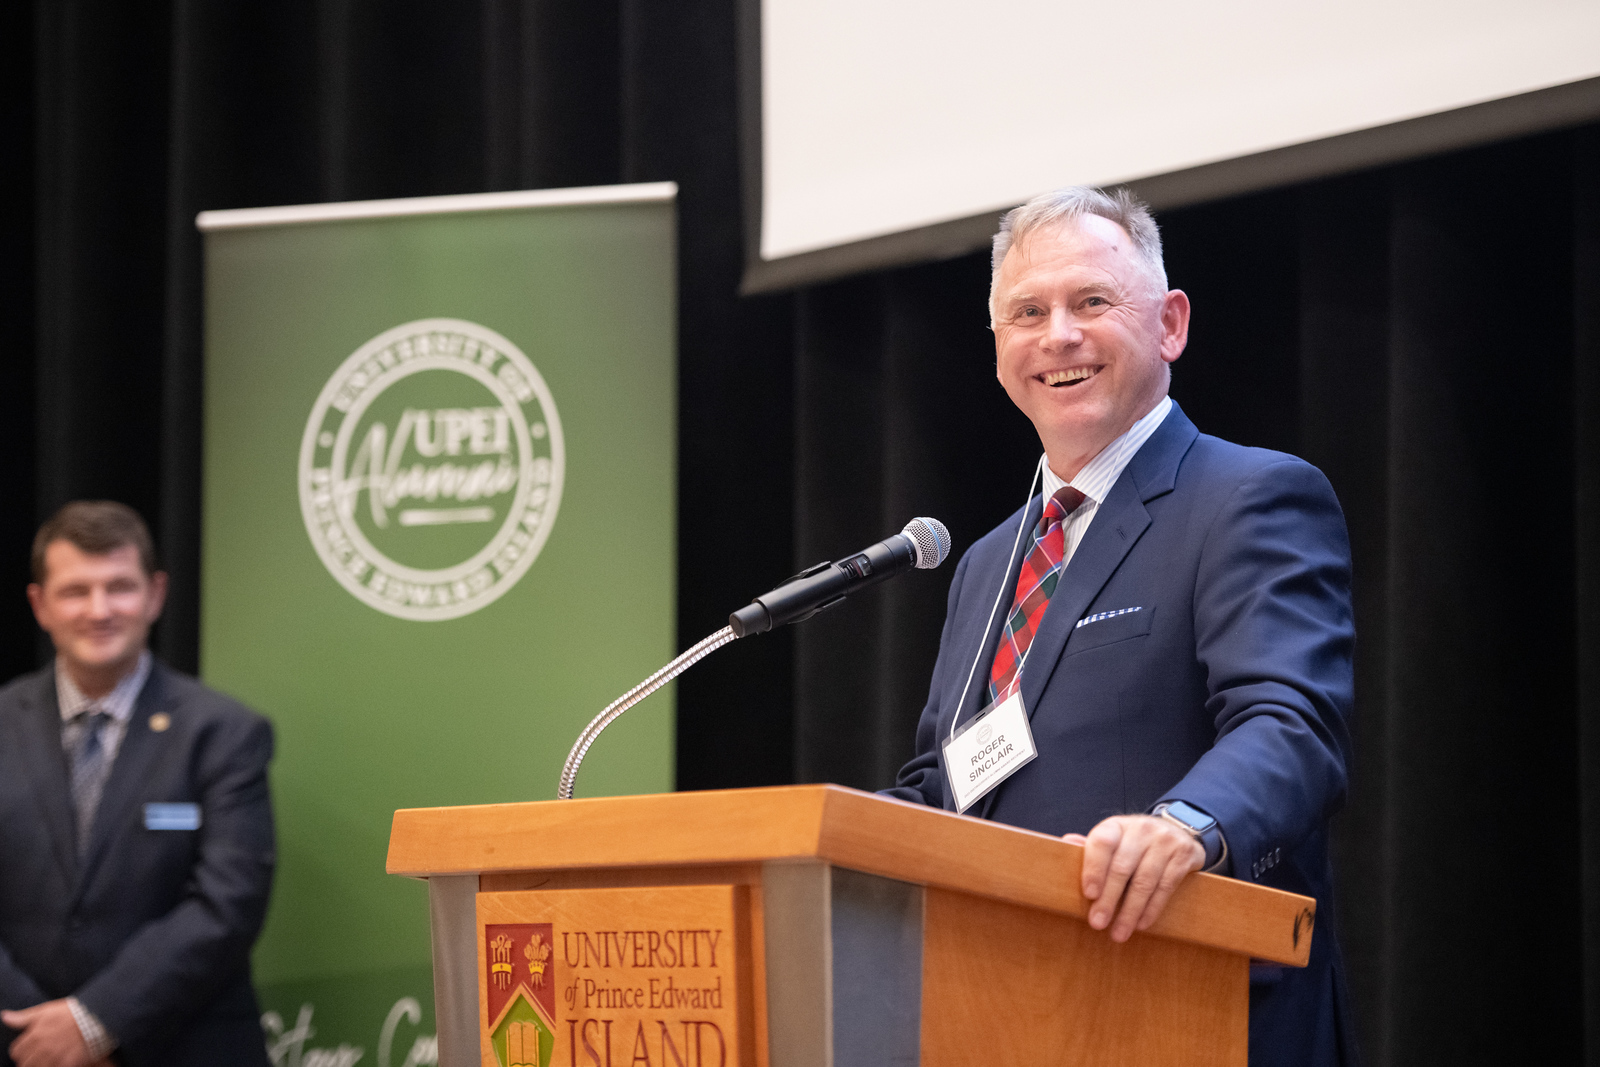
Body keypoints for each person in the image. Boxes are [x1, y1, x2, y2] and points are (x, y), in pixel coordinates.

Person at [884, 187, 1357, 1065]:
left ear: (1170, 324)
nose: (1057, 334)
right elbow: (946, 786)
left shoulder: (1248, 498)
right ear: (999, 351)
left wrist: (1183, 825)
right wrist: (830, 837)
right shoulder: (989, 563)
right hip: (999, 1009)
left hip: (1194, 1007)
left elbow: (1291, 724)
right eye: (1028, 312)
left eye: (1091, 302)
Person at [0, 502, 275, 1067]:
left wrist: (95, 1022)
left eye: (119, 587)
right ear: (40, 604)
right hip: (20, 1047)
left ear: (155, 594)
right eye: (76, 590)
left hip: (184, 1048)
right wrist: (38, 1032)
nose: (99, 610)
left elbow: (228, 902)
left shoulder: (224, 733)